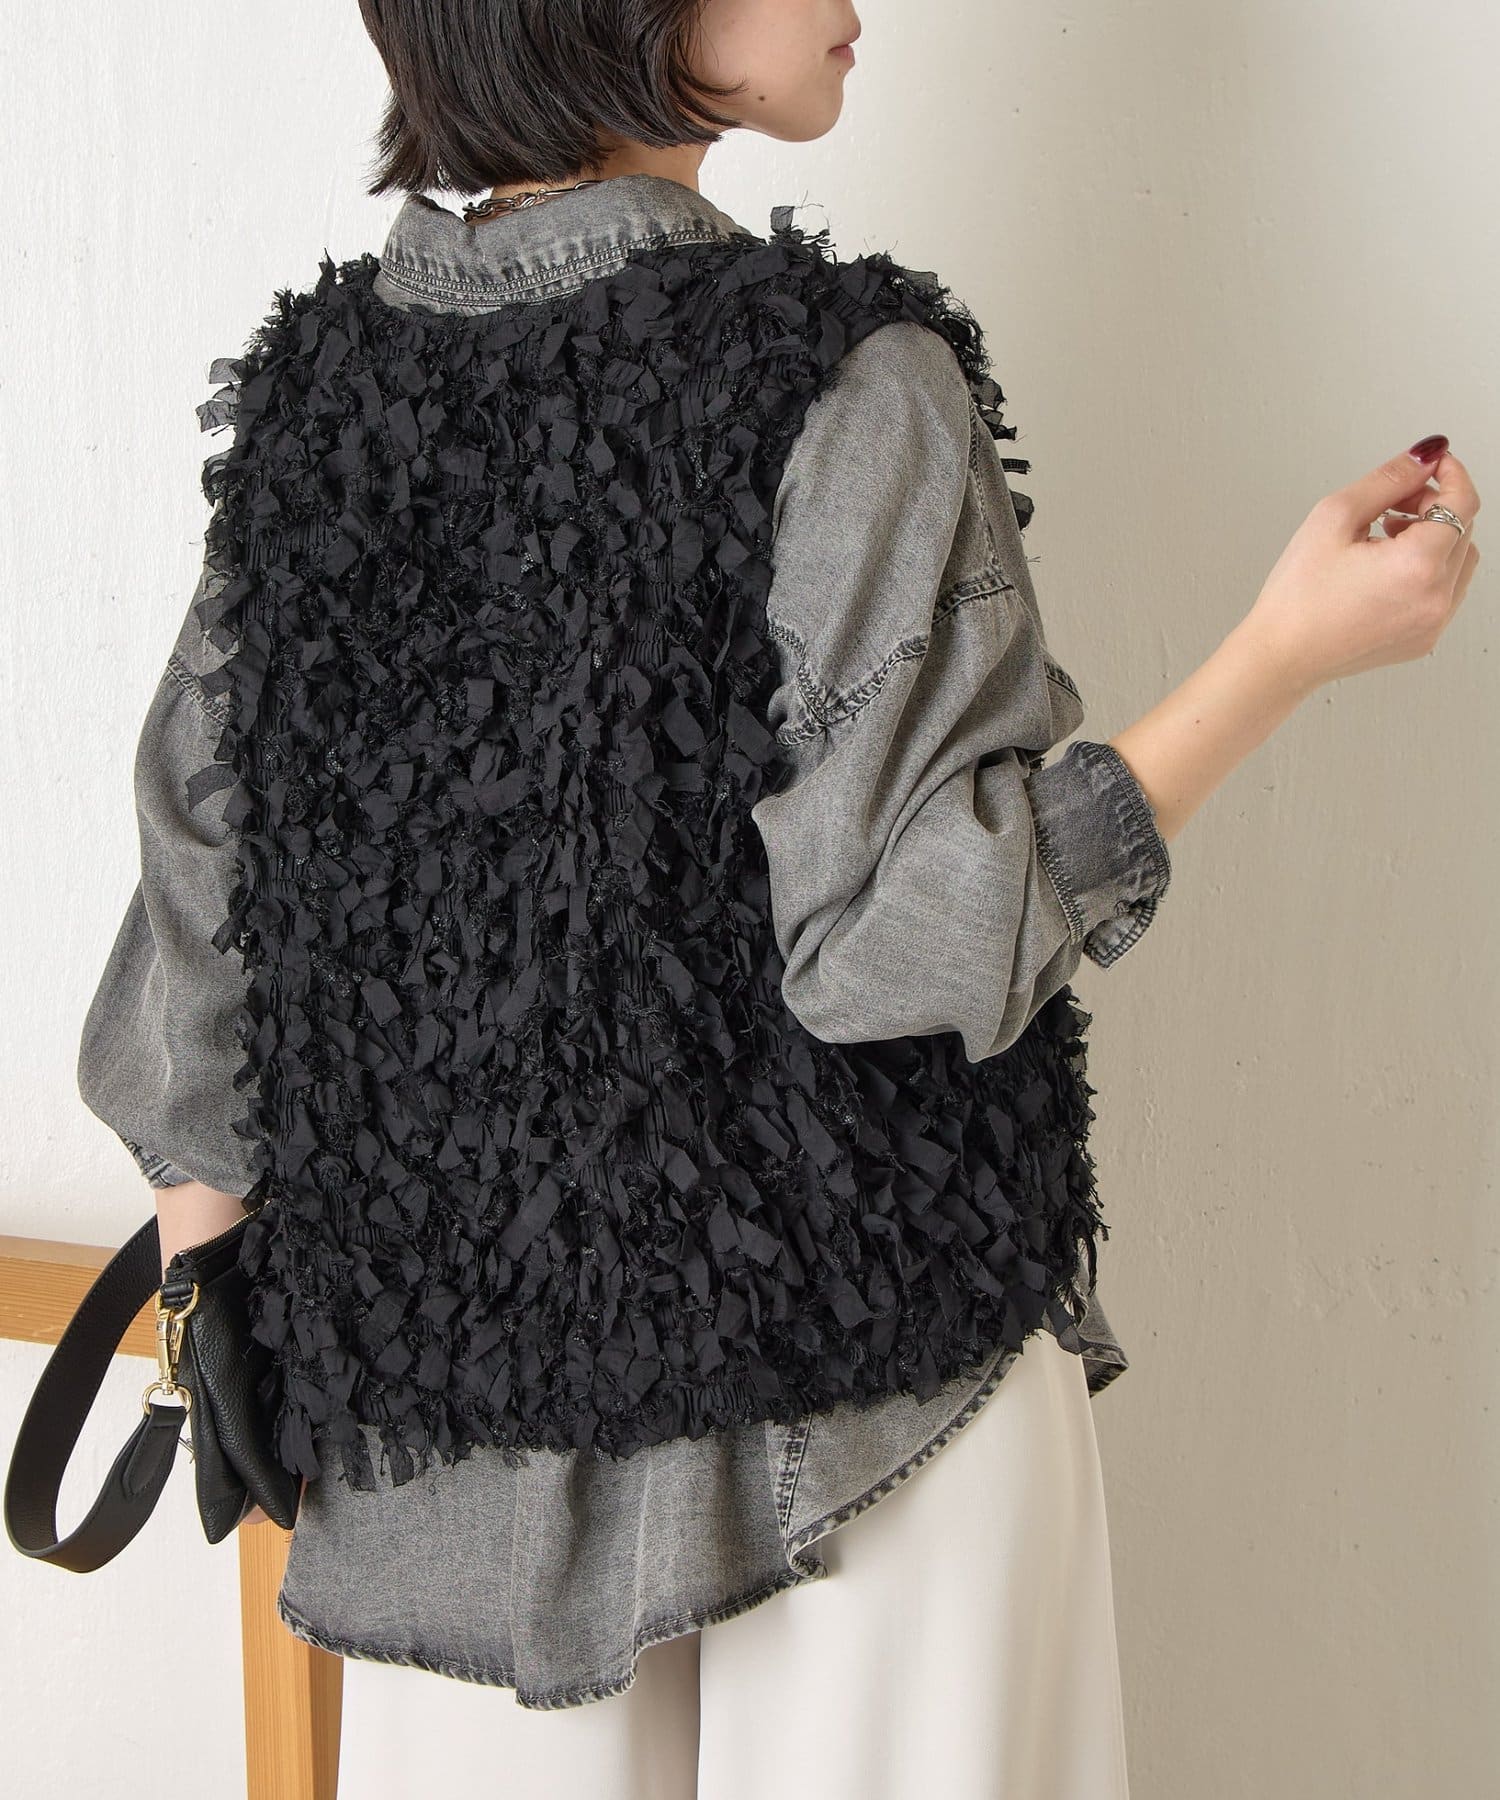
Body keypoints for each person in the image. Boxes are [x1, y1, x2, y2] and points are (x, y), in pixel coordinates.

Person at [74, 4, 1480, 1795]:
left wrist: (213, 1276)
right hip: (871, 1422)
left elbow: (203, 887)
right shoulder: (844, 376)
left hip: (463, 1466)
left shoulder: (316, 404)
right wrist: (1279, 655)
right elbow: (894, 944)